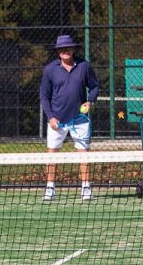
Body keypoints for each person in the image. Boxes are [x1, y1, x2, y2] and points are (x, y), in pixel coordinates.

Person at [39, 33, 100, 201]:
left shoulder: (84, 66)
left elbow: (95, 87)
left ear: (73, 49)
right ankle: (50, 188)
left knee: (84, 154)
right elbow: (44, 96)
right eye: (61, 49)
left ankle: (86, 188)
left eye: (68, 48)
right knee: (52, 154)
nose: (65, 51)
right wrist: (50, 117)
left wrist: (90, 102)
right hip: (56, 121)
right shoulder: (50, 69)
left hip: (80, 120)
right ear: (58, 52)